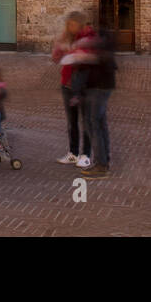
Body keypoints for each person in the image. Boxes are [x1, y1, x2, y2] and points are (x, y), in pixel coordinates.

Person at [71, 25, 116, 178]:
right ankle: (103, 161)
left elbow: (105, 58)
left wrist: (87, 57)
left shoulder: (103, 41)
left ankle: (101, 165)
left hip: (99, 87)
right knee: (100, 124)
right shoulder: (99, 40)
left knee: (94, 124)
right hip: (98, 86)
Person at [51, 11, 94, 166]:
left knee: (86, 120)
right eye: (68, 24)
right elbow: (56, 58)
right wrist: (58, 46)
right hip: (68, 84)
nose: (70, 27)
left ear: (80, 24)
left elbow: (87, 58)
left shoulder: (89, 37)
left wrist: (70, 50)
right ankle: (73, 153)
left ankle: (86, 155)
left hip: (85, 86)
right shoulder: (66, 37)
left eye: (73, 24)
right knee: (72, 121)